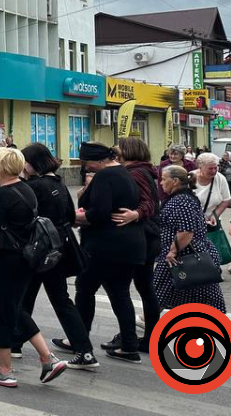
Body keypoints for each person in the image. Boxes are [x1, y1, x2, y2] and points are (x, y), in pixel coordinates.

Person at [0, 147, 69, 388]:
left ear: (2, 167)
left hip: (4, 259)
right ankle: (48, 357)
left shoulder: (0, 196)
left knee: (1, 312)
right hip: (25, 259)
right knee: (15, 309)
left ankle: (4, 370)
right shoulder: (27, 189)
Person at [3, 143, 98, 370]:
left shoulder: (33, 186)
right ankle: (82, 350)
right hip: (58, 250)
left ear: (33, 162)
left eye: (25, 161)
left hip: (38, 251)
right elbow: (70, 216)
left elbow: (24, 218)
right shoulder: (58, 183)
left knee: (27, 297)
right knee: (52, 299)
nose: (23, 167)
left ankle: (16, 343)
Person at [74, 142, 145, 364]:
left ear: (97, 160)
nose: (86, 168)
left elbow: (101, 212)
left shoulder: (105, 176)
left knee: (84, 289)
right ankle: (129, 346)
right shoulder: (124, 172)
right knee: (120, 293)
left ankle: (79, 340)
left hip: (105, 245)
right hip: (129, 244)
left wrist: (78, 217)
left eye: (87, 163)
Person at [110, 136, 162, 354]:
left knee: (126, 288)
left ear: (127, 151)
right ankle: (141, 336)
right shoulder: (144, 170)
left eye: (118, 149)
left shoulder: (136, 173)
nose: (115, 152)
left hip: (142, 237)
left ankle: (135, 337)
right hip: (148, 237)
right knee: (144, 287)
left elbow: (148, 203)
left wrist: (136, 214)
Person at [153, 166, 227, 312]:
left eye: (163, 179)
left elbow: (186, 231)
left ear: (174, 181)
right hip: (180, 255)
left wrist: (173, 251)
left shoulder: (182, 200)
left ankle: (149, 319)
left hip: (184, 255)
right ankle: (148, 318)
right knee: (164, 289)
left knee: (199, 292)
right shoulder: (181, 198)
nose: (160, 183)